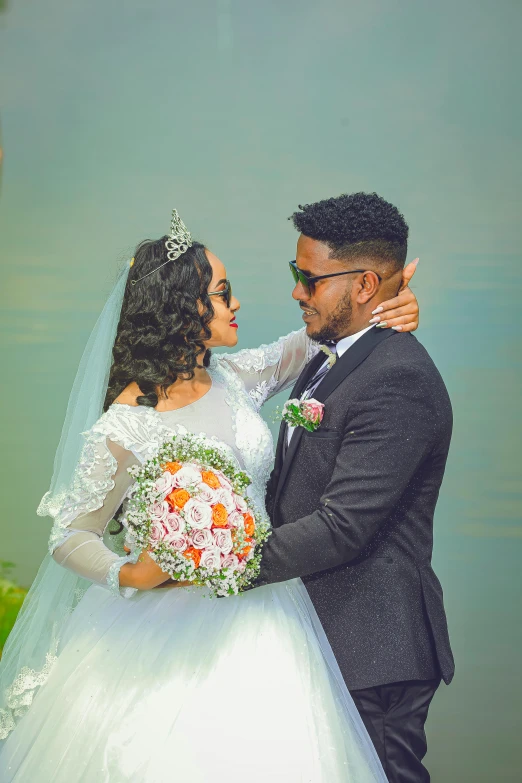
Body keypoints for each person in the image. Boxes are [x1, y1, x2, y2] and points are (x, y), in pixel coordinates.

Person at [0, 207, 419, 782]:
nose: (237, 304)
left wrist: (385, 306)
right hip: (157, 627)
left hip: (266, 610)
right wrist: (128, 574)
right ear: (182, 310)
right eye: (223, 295)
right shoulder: (125, 424)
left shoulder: (236, 377)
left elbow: (323, 331)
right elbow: (70, 534)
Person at [248, 193, 455, 783]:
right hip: (321, 626)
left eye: (307, 279)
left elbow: (345, 525)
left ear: (364, 284)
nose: (296, 292)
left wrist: (226, 566)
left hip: (374, 644)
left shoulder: (399, 379)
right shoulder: (330, 356)